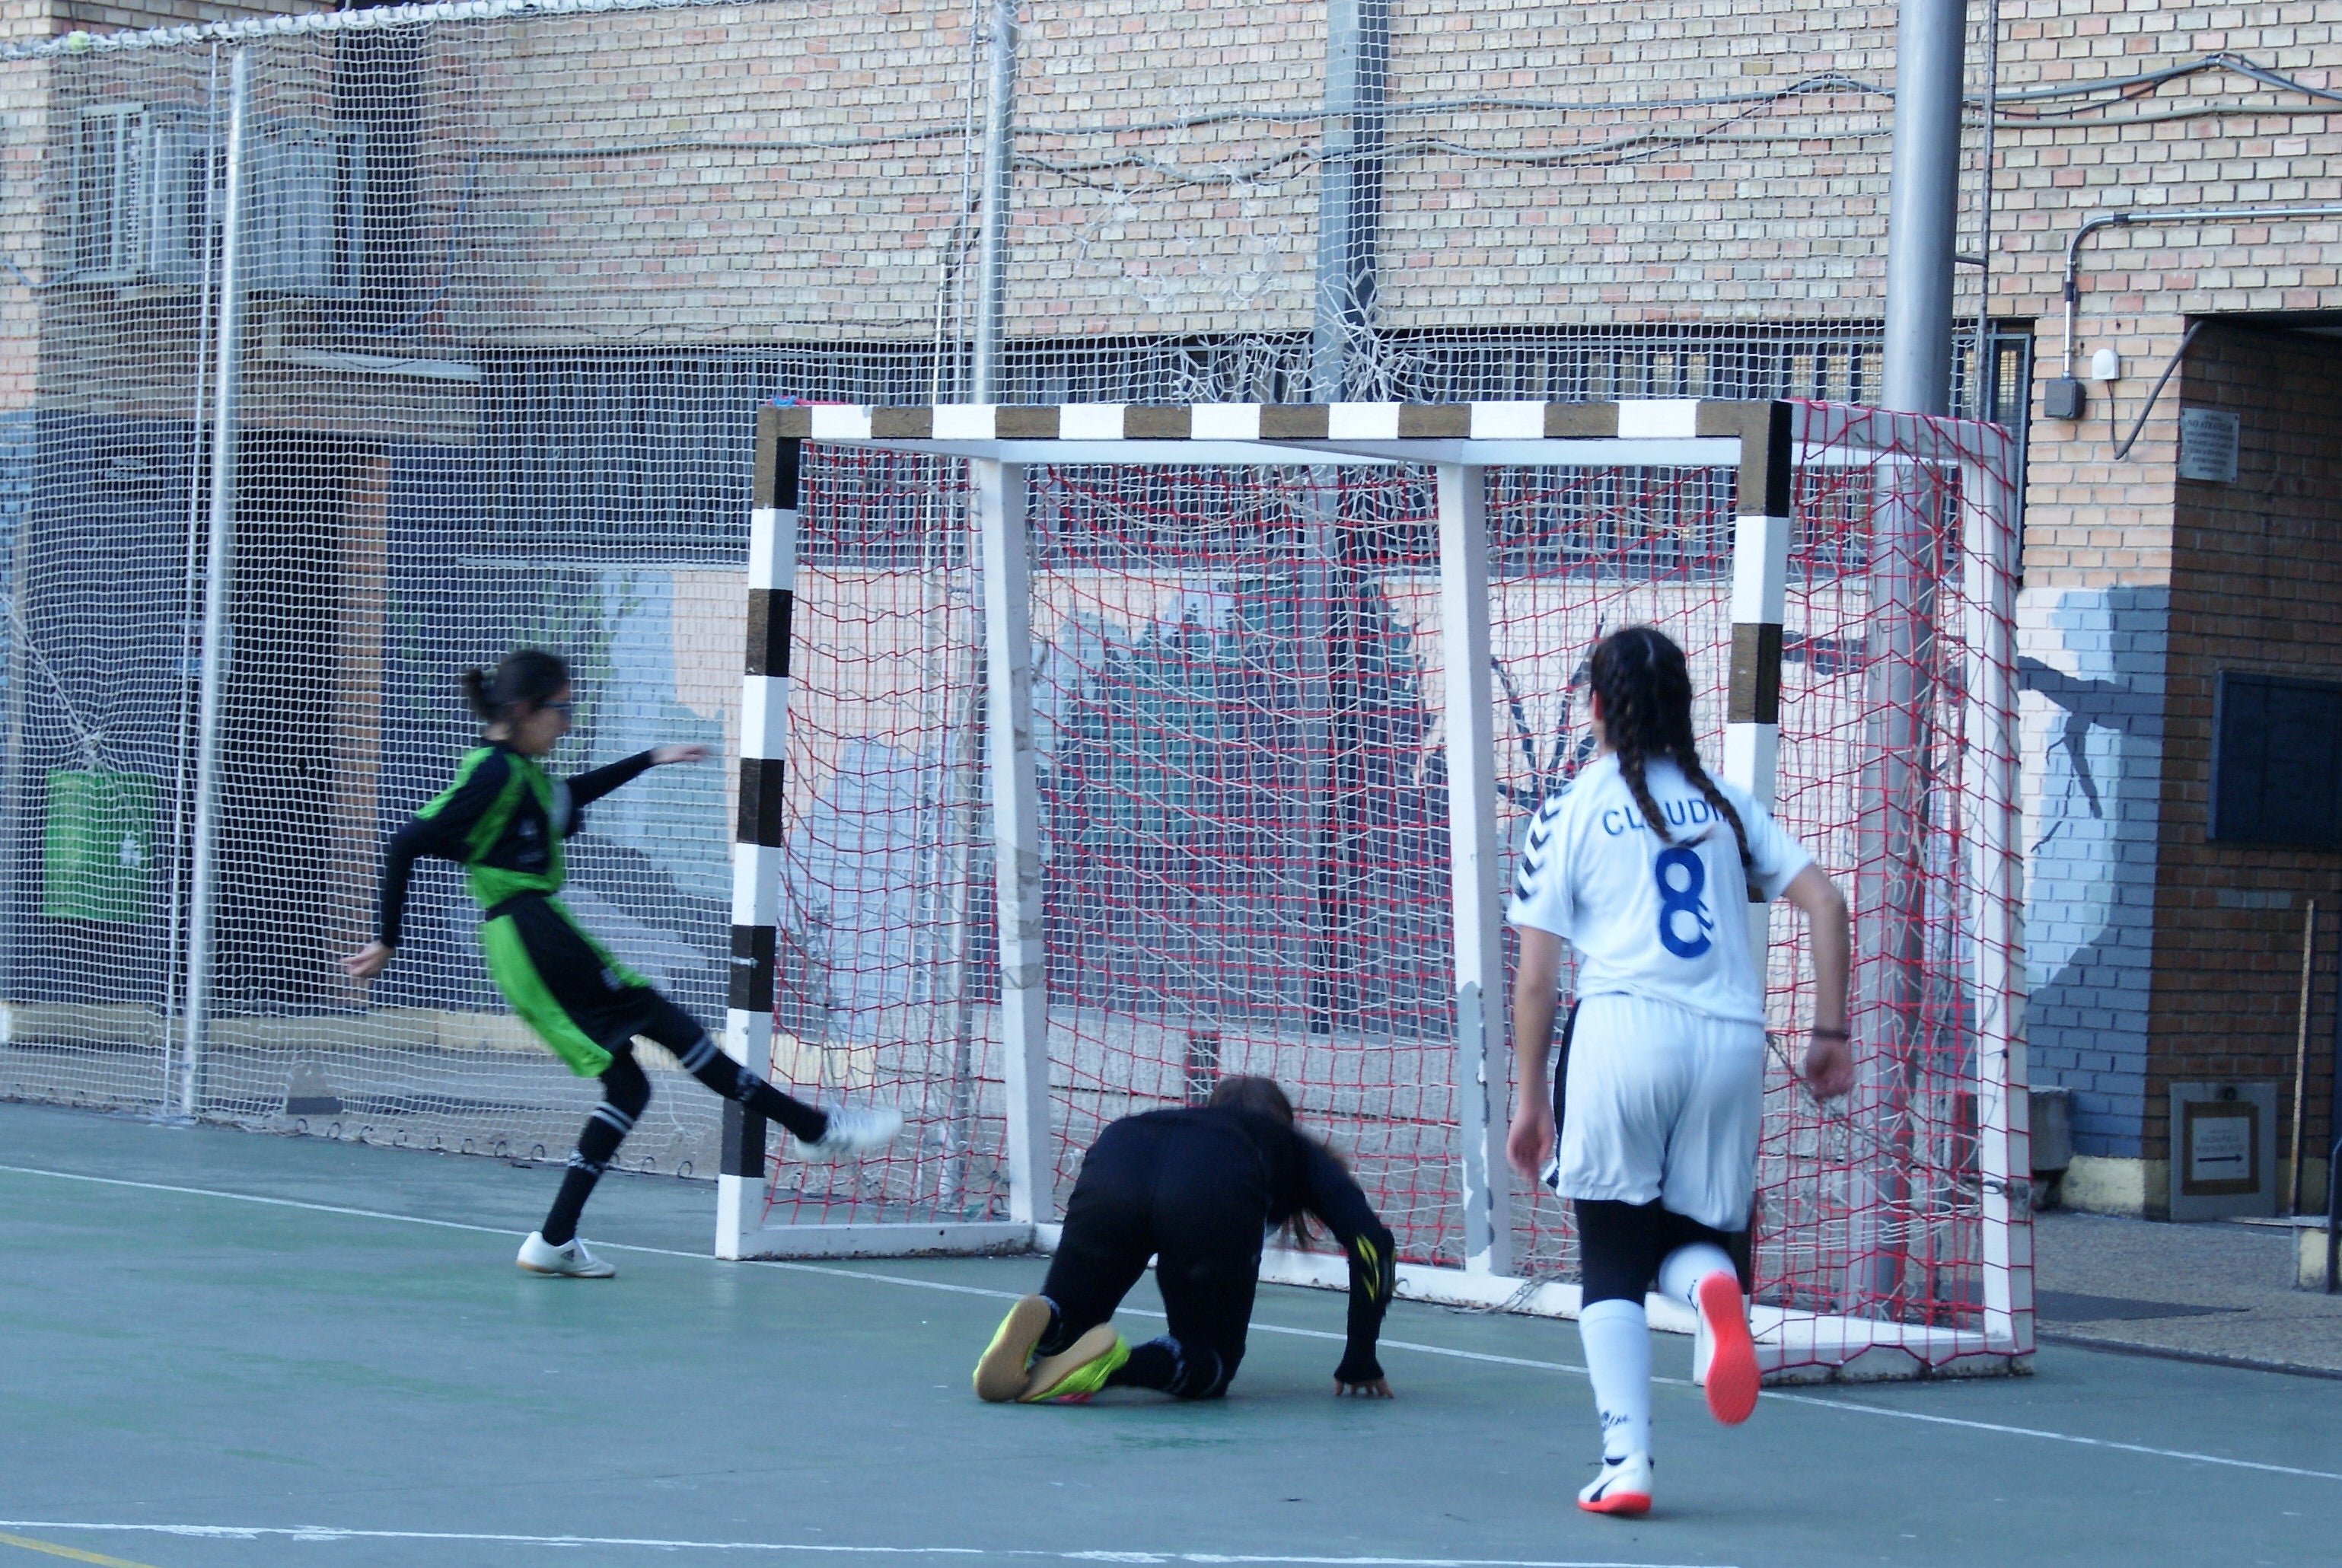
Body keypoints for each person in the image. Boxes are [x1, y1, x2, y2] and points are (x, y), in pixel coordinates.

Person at [340, 649, 902, 1277]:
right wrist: (386, 939)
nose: (568, 723)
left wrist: (650, 758)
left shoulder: (520, 773)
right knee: (664, 1022)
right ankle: (814, 1128)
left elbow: (568, 796)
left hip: (535, 935)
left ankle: (554, 1240)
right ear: (524, 710)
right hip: (531, 938)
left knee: (629, 1085)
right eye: (561, 709)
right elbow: (407, 840)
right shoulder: (491, 775)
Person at [1503, 626, 1852, 1519]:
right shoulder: (1725, 805)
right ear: (1681, 710)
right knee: (1694, 1231)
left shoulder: (1568, 809)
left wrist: (1529, 1095)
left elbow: (1537, 979)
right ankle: (1710, 1287)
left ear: (1594, 706)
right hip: (1730, 1042)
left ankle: (1626, 1461)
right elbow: (1825, 900)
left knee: (1611, 1257)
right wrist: (1827, 1030)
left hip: (1623, 1033)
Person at [972, 1076, 1397, 1404]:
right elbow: (1371, 1244)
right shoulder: (1293, 1147)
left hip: (1122, 1148)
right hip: (1211, 1181)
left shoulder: (1179, 1120)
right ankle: (1115, 1366)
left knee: (1074, 1314)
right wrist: (1361, 1356)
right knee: (1209, 1359)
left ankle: (1046, 1317)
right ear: (1284, 1119)